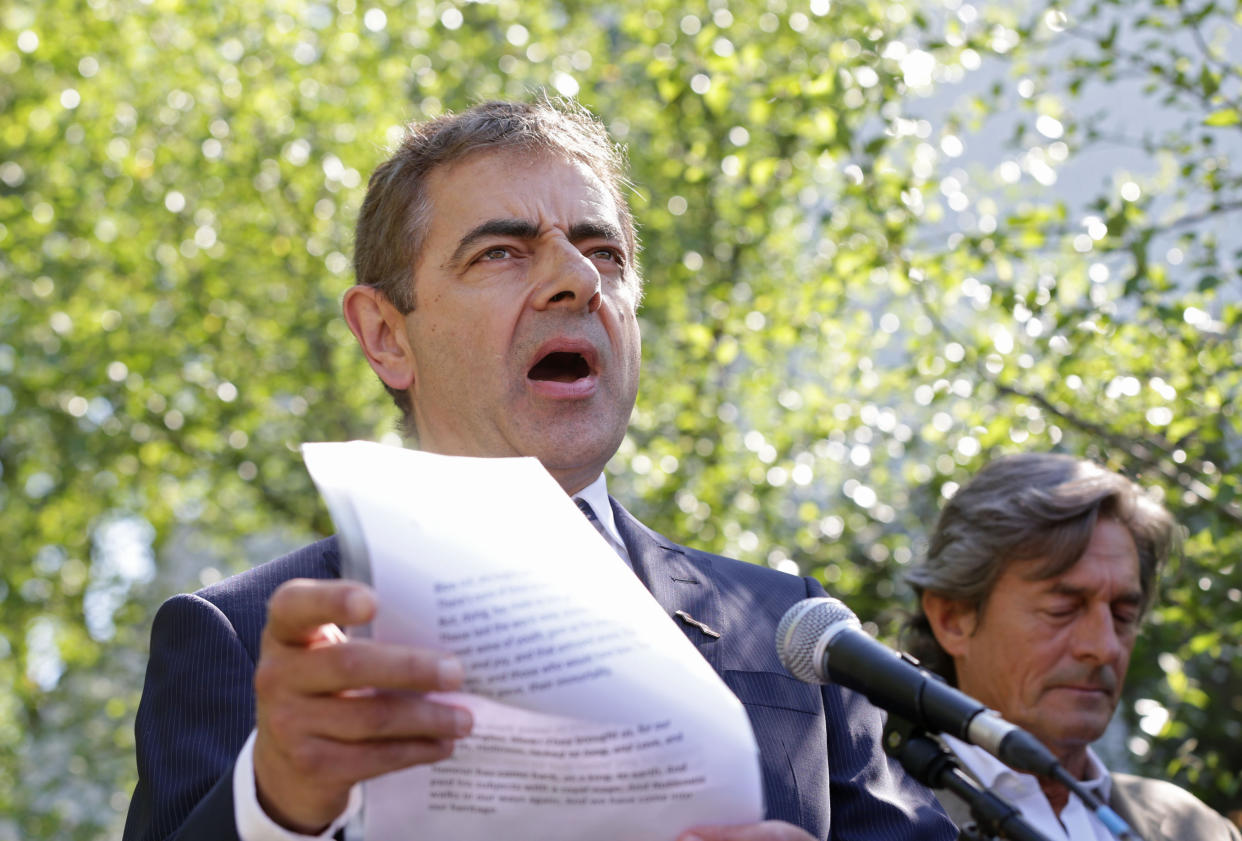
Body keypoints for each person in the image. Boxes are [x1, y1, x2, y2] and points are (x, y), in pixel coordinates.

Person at [122, 99, 955, 841]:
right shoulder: (242, 638)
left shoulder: (790, 633)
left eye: (604, 252)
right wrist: (278, 805)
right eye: (501, 253)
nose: (577, 280)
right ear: (385, 334)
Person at [904, 452, 1240, 841]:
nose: (1104, 647)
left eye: (1123, 615)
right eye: (1062, 609)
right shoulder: (873, 817)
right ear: (953, 620)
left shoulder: (1193, 828)